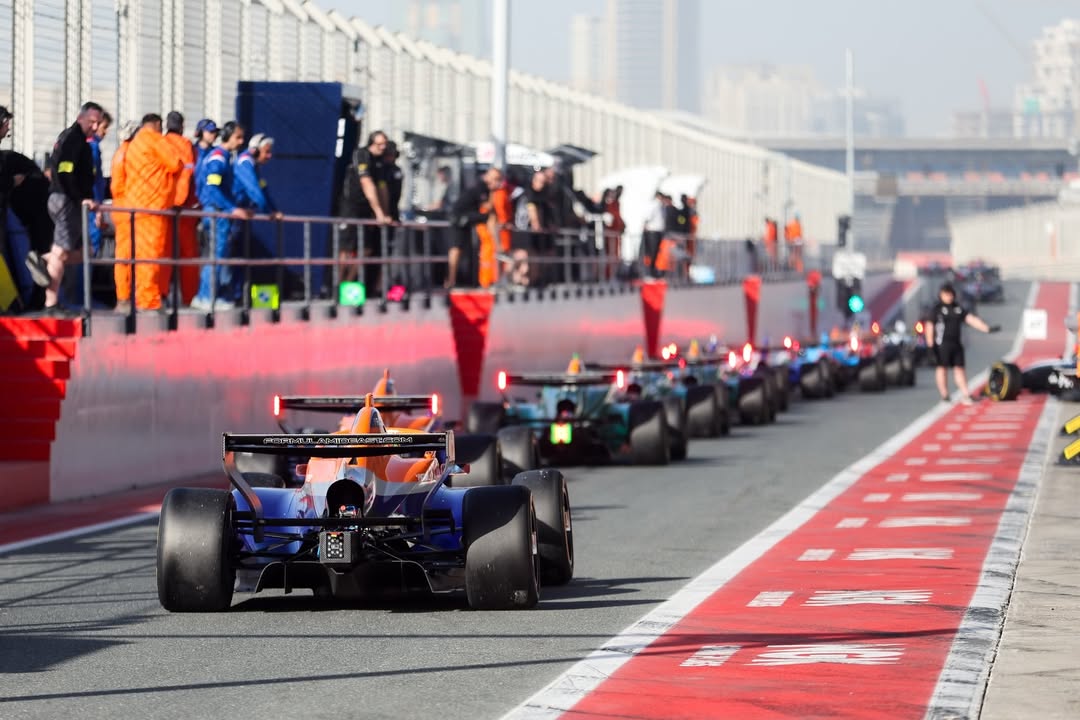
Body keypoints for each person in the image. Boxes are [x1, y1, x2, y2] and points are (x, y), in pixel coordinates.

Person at [26, 101, 103, 315]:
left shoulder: (79, 141)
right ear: (81, 118)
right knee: (60, 254)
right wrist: (81, 199)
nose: (95, 128)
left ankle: (41, 260)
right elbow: (64, 172)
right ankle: (51, 304)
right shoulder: (73, 139)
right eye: (92, 122)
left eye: (98, 123)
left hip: (68, 200)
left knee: (83, 252)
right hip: (66, 201)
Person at [123, 114, 184, 311]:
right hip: (154, 206)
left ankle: (139, 297)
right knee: (152, 255)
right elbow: (175, 163)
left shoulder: (134, 144)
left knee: (139, 256)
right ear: (157, 125)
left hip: (135, 206)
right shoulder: (156, 140)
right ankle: (149, 301)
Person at [192, 121, 251, 311]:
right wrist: (232, 208)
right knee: (215, 256)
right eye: (237, 137)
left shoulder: (224, 157)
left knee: (217, 255)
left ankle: (207, 296)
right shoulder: (218, 158)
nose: (241, 142)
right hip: (217, 212)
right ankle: (206, 297)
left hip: (219, 211)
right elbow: (213, 188)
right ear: (227, 136)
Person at [924, 282, 1001, 404]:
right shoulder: (936, 310)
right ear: (941, 295)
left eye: (950, 294)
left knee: (959, 369)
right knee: (942, 368)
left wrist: (987, 328)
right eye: (946, 295)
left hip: (956, 344)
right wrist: (930, 346)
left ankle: (966, 394)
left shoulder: (957, 308)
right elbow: (929, 327)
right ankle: (945, 395)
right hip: (942, 344)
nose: (948, 297)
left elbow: (971, 319)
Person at [162, 111, 200, 305]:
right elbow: (190, 176)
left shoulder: (160, 143)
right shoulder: (186, 146)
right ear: (182, 126)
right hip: (183, 208)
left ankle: (162, 295)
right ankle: (188, 298)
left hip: (162, 207)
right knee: (188, 256)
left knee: (163, 253)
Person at [446, 167, 502, 289]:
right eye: (495, 179)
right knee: (456, 248)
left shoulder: (484, 187)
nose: (496, 182)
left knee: (461, 249)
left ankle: (453, 279)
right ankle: (498, 245)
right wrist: (493, 191)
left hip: (467, 217)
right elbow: (488, 207)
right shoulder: (481, 187)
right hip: (460, 217)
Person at [110, 120, 140, 311]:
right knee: (126, 255)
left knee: (126, 255)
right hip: (126, 210)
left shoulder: (122, 153)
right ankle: (123, 297)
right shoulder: (127, 154)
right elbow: (120, 186)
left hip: (124, 209)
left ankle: (125, 296)